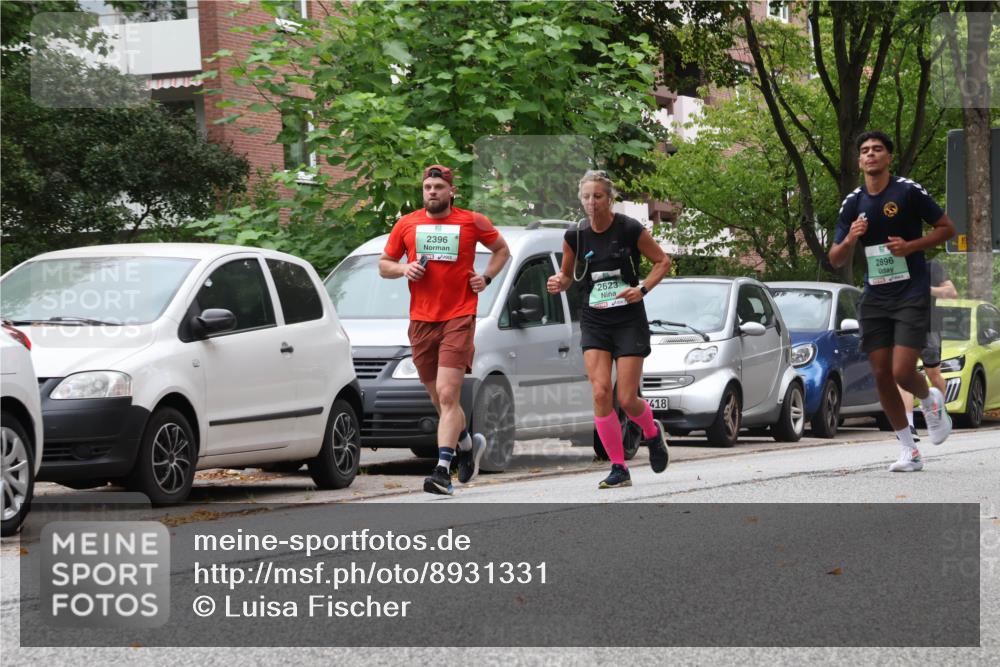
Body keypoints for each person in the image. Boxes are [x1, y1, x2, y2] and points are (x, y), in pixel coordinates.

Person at [829, 131, 956, 472]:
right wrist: (851, 239)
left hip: (912, 293)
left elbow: (947, 228)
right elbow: (836, 259)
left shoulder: (907, 191)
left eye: (877, 150)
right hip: (875, 296)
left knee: (902, 371)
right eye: (865, 151)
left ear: (888, 157)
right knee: (881, 374)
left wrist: (911, 246)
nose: (870, 155)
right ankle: (908, 450)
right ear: (859, 160)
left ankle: (930, 401)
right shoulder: (853, 202)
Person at [379, 165, 510, 495]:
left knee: (449, 394)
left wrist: (487, 277)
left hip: (460, 316)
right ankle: (466, 444)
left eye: (438, 186)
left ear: (451, 191)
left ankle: (441, 470)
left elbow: (502, 251)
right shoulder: (407, 224)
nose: (432, 191)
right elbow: (383, 265)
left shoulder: (471, 221)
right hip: (422, 320)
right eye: (427, 187)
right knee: (439, 399)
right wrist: (403, 268)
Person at [546, 170, 672, 488]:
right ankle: (619, 467)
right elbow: (566, 275)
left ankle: (653, 434)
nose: (592, 202)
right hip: (595, 319)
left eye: (598, 196)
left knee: (627, 398)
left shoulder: (629, 228)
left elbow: (663, 262)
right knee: (601, 392)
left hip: (628, 319)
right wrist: (557, 282)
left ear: (609, 198)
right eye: (587, 197)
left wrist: (641, 289)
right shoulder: (575, 235)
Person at [897, 258, 958, 441]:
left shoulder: (931, 266)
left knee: (934, 375)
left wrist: (927, 290)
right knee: (904, 375)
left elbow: (952, 292)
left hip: (929, 327)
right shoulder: (894, 268)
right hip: (904, 327)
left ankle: (941, 409)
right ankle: (908, 425)